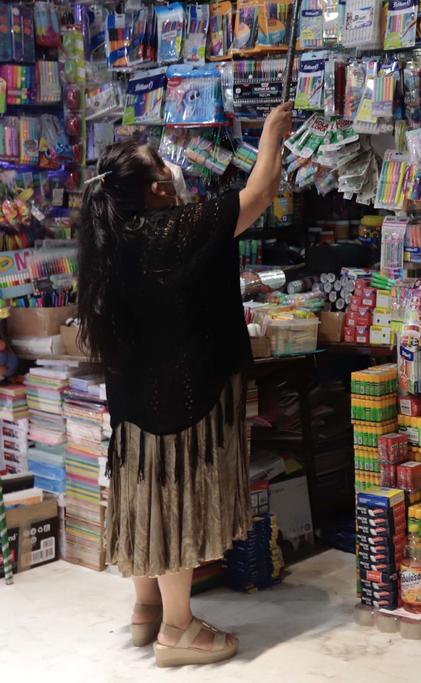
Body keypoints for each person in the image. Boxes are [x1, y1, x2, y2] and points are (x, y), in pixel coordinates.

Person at [76, 101, 293, 667]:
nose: (173, 170)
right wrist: (272, 132)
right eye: (162, 167)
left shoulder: (111, 239)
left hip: (132, 403)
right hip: (184, 397)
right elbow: (260, 192)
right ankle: (178, 629)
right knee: (175, 499)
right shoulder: (174, 229)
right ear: (155, 190)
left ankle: (146, 609)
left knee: (144, 493)